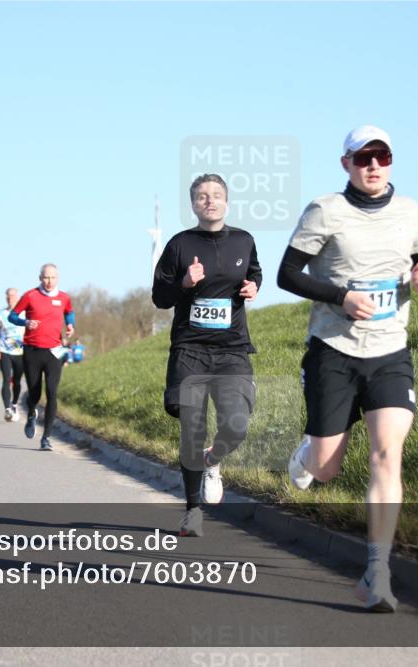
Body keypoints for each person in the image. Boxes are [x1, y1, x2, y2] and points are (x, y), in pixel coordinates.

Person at [276, 125, 418, 612]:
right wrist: (340, 296)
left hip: (390, 351)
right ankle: (308, 454)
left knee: (388, 455)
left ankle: (377, 572)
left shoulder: (409, 210)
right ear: (345, 163)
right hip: (333, 349)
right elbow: (288, 274)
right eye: (363, 158)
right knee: (327, 470)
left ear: (391, 162)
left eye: (381, 157)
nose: (373, 166)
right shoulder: (326, 211)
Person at [152, 173, 262, 538]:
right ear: (193, 204)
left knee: (237, 423)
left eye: (215, 195)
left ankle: (212, 462)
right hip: (191, 350)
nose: (209, 201)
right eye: (202, 196)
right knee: (192, 427)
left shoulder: (244, 241)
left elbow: (255, 271)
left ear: (226, 202)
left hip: (232, 350)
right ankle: (192, 511)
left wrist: (253, 286)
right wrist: (184, 282)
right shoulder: (179, 245)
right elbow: (160, 297)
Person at [8, 264, 75, 451]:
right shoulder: (30, 296)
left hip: (54, 351)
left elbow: (69, 312)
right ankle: (31, 413)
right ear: (40, 278)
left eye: (52, 278)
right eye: (46, 278)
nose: (49, 281)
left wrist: (70, 325)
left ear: (58, 278)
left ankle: (46, 438)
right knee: (34, 392)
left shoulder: (63, 298)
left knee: (52, 393)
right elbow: (12, 316)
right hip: (32, 351)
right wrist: (25, 321)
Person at [0, 288, 26, 422]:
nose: (10, 299)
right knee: (7, 379)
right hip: (5, 350)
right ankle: (7, 408)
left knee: (17, 381)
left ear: (17, 297)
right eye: (8, 297)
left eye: (13, 296)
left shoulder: (24, 313)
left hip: (20, 352)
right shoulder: (1, 314)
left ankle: (14, 404)